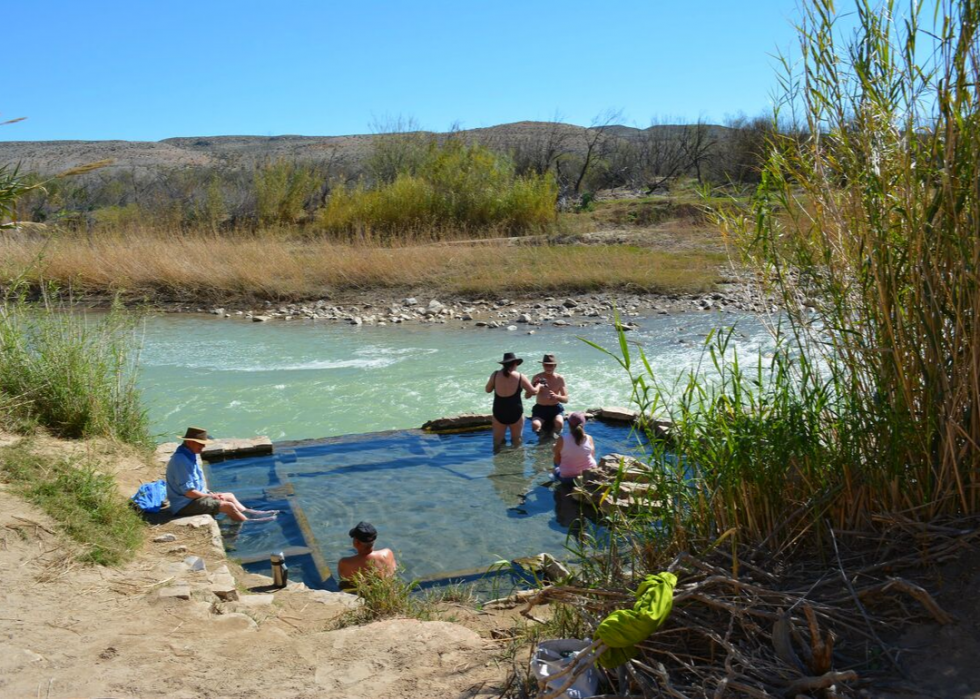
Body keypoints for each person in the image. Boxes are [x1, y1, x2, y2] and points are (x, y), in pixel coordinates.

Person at [165, 427, 277, 522]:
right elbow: (188, 492)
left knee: (229, 496)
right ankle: (249, 523)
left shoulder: (189, 455)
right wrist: (210, 496)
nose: (203, 447)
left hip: (192, 499)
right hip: (184, 505)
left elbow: (194, 486)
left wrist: (209, 493)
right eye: (201, 444)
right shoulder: (181, 461)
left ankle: (253, 513)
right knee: (228, 506)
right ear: (189, 442)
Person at [485, 352, 541, 449]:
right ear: (515, 363)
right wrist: (539, 385)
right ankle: (516, 461)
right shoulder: (520, 376)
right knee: (517, 441)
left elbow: (488, 390)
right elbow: (534, 392)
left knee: (497, 441)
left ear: (503, 364)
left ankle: (498, 461)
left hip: (499, 412)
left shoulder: (495, 375)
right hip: (515, 412)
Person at [338, 522, 397, 590]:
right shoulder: (388, 554)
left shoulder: (345, 562)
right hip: (384, 592)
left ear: (356, 542)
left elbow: (343, 581)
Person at [527, 353, 569, 434]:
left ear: (555, 366)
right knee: (535, 425)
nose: (548, 367)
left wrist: (556, 396)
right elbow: (527, 396)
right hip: (540, 408)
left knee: (559, 423)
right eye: (546, 365)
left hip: (555, 408)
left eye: (551, 365)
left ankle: (554, 439)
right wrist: (534, 387)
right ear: (543, 365)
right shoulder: (537, 377)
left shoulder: (560, 379)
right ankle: (541, 439)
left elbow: (566, 399)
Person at [552, 412, 597, 484]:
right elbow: (592, 456)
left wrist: (554, 448)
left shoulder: (562, 439)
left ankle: (554, 477)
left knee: (555, 464)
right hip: (588, 475)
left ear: (569, 424)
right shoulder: (589, 438)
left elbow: (557, 460)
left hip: (567, 478)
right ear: (584, 424)